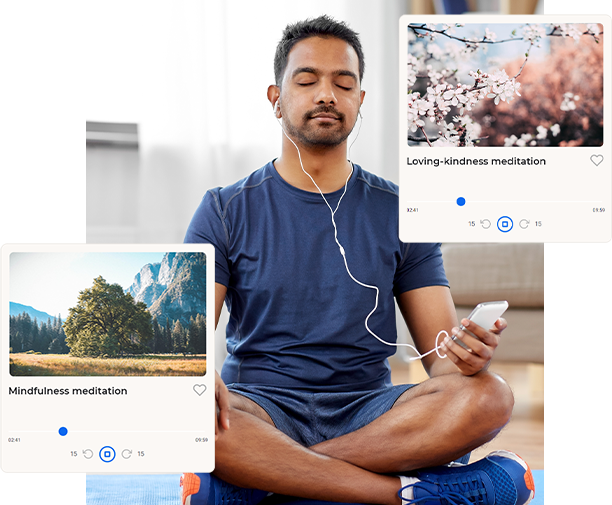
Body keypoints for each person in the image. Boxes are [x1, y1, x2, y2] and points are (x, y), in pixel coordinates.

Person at [182, 15, 534, 505]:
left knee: (490, 395)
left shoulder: (401, 210)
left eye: (343, 83)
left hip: (369, 411)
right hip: (259, 407)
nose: (326, 94)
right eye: (306, 81)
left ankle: (265, 483)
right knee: (190, 411)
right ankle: (407, 495)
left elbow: (443, 369)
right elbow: (184, 344)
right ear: (275, 98)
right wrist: (195, 375)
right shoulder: (223, 208)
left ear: (359, 101)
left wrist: (467, 357)